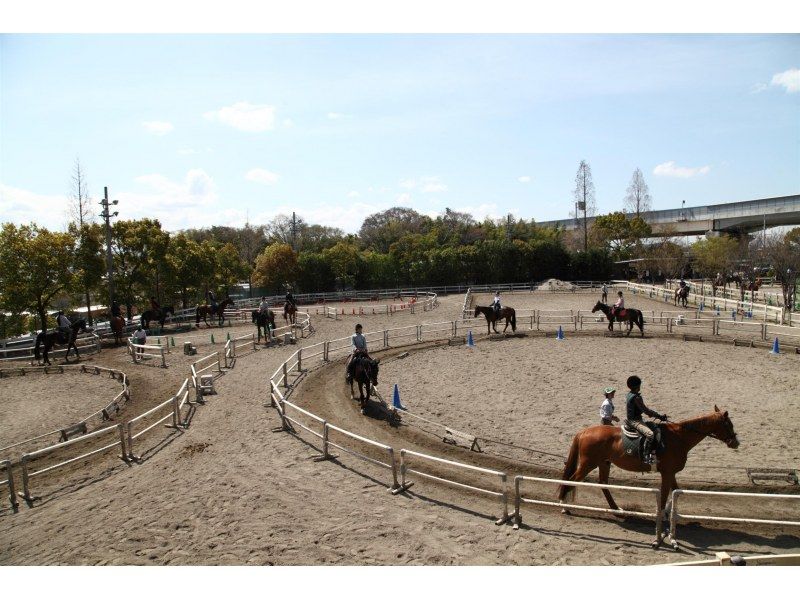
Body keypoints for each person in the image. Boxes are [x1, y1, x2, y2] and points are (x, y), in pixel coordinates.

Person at [624, 375, 668, 464]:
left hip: (637, 419)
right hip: (634, 421)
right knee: (650, 434)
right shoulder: (636, 398)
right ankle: (646, 456)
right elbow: (646, 411)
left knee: (655, 427)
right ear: (637, 386)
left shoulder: (630, 394)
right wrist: (659, 416)